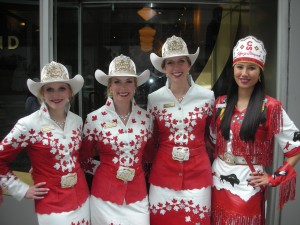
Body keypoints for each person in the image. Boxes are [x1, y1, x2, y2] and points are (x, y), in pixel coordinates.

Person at [209, 35, 300, 225]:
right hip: (216, 181)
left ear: (260, 73)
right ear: (233, 69)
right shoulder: (220, 103)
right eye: (240, 66)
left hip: (247, 185)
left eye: (251, 67)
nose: (244, 73)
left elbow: (296, 147)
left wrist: (274, 177)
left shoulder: (271, 107)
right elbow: (211, 140)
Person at [0, 61, 90, 225]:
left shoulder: (77, 121)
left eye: (61, 88)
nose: (56, 94)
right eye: (49, 89)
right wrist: (21, 189)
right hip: (51, 203)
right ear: (42, 93)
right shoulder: (28, 124)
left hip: (82, 199)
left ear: (70, 92)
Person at [146, 35, 215, 224]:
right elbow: (152, 139)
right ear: (164, 67)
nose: (176, 68)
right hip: (163, 175)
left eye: (181, 61)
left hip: (198, 175)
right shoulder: (154, 99)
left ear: (189, 64)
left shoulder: (207, 97)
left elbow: (213, 135)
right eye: (170, 63)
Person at [81, 54, 151, 224]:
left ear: (135, 86)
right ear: (109, 86)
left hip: (138, 196)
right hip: (104, 196)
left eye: (128, 81)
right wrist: (109, 169)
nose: (123, 87)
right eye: (117, 81)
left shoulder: (146, 118)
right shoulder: (94, 119)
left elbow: (149, 156)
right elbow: (83, 158)